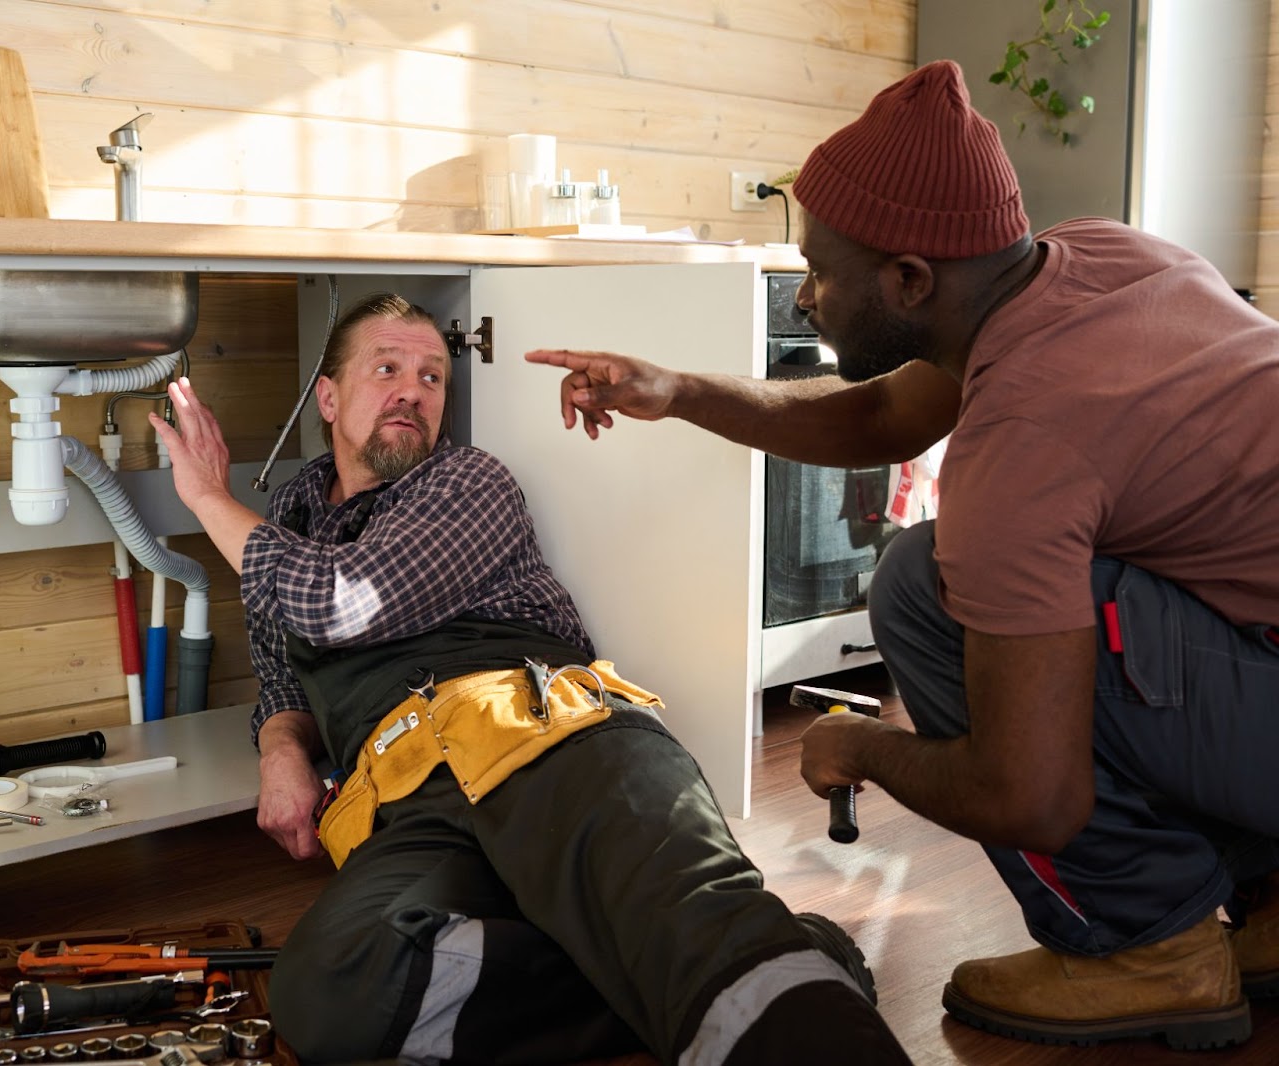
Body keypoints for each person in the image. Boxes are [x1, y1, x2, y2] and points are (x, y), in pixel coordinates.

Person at [526, 59, 1279, 1052]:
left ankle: (1148, 949)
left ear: (912, 280)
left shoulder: (1021, 444)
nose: (805, 298)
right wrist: (679, 390)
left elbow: (1031, 795)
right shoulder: (1097, 256)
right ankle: (1265, 906)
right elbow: (885, 411)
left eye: (820, 272)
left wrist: (862, 749)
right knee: (1123, 579)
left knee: (922, 587)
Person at [147, 293, 911, 1064]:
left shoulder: (467, 484)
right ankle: (687, 964)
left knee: (692, 915)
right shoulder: (288, 523)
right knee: (331, 992)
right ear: (328, 396)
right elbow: (283, 675)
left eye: (432, 376)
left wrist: (209, 497)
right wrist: (281, 750)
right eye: (386, 369)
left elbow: (338, 602)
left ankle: (724, 960)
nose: (413, 390)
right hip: (409, 796)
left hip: (549, 738)